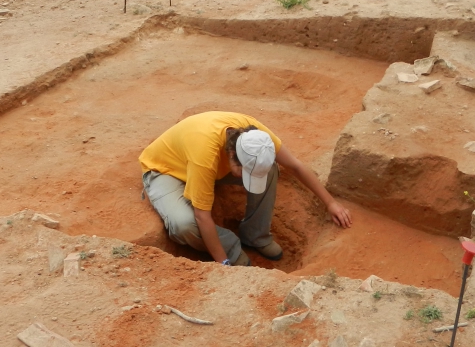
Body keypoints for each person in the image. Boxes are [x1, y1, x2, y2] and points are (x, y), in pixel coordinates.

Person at [139, 111, 352, 266]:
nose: (245, 178)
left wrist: (330, 202)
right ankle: (232, 247)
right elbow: (202, 216)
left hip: (206, 166)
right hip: (167, 170)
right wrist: (223, 262)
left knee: (269, 171)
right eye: (243, 171)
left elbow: (295, 165)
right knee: (183, 224)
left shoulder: (258, 138)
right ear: (232, 154)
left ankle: (256, 235)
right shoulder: (205, 155)